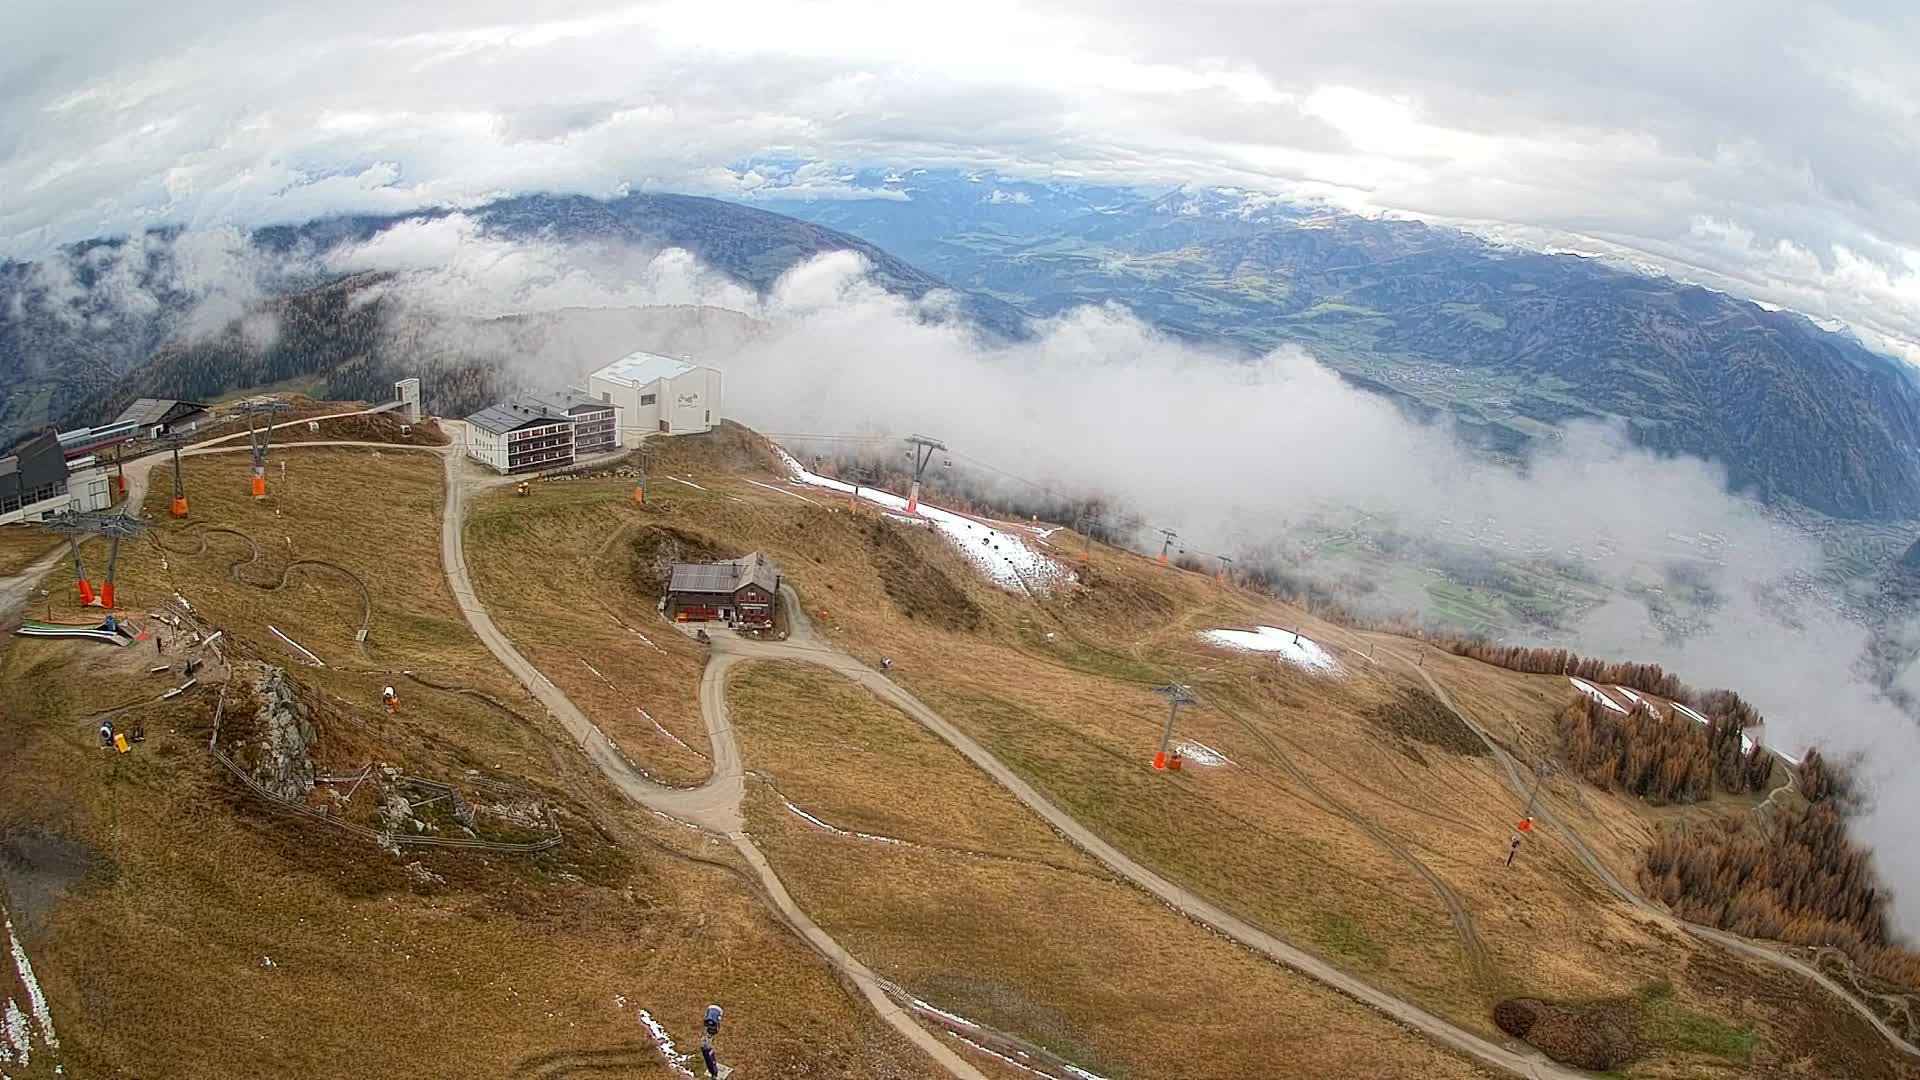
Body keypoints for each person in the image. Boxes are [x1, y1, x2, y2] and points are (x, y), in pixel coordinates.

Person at [701, 1004, 723, 1078]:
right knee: (707, 1049)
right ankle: (714, 1072)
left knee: (707, 1049)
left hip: (708, 1040)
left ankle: (714, 1072)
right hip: (708, 1041)